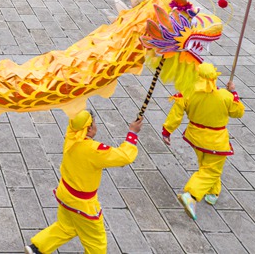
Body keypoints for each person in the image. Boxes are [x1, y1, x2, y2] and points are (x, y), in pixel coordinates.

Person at [26, 110, 142, 254]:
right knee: (96, 241)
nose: (96, 126)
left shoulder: (71, 137)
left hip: (65, 193)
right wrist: (133, 133)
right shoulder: (93, 150)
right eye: (94, 124)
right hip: (83, 204)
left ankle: (37, 248)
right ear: (89, 128)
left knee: (66, 227)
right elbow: (124, 157)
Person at [162, 63, 244, 220]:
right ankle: (191, 195)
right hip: (216, 141)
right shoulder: (225, 96)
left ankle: (213, 192)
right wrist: (234, 93)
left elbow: (176, 114)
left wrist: (167, 131)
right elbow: (238, 112)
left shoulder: (187, 93)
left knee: (206, 165)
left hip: (196, 137)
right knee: (212, 171)